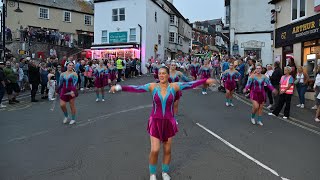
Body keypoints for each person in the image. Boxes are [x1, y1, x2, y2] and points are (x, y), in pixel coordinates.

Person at [110, 66, 215, 180]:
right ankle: (152, 174)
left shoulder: (174, 86)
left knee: (167, 150)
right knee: (155, 150)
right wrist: (119, 87)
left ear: (168, 75)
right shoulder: (152, 86)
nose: (161, 75)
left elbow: (190, 84)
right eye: (159, 73)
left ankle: (165, 172)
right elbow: (137, 88)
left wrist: (204, 81)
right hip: (155, 121)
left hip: (169, 122)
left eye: (164, 73)